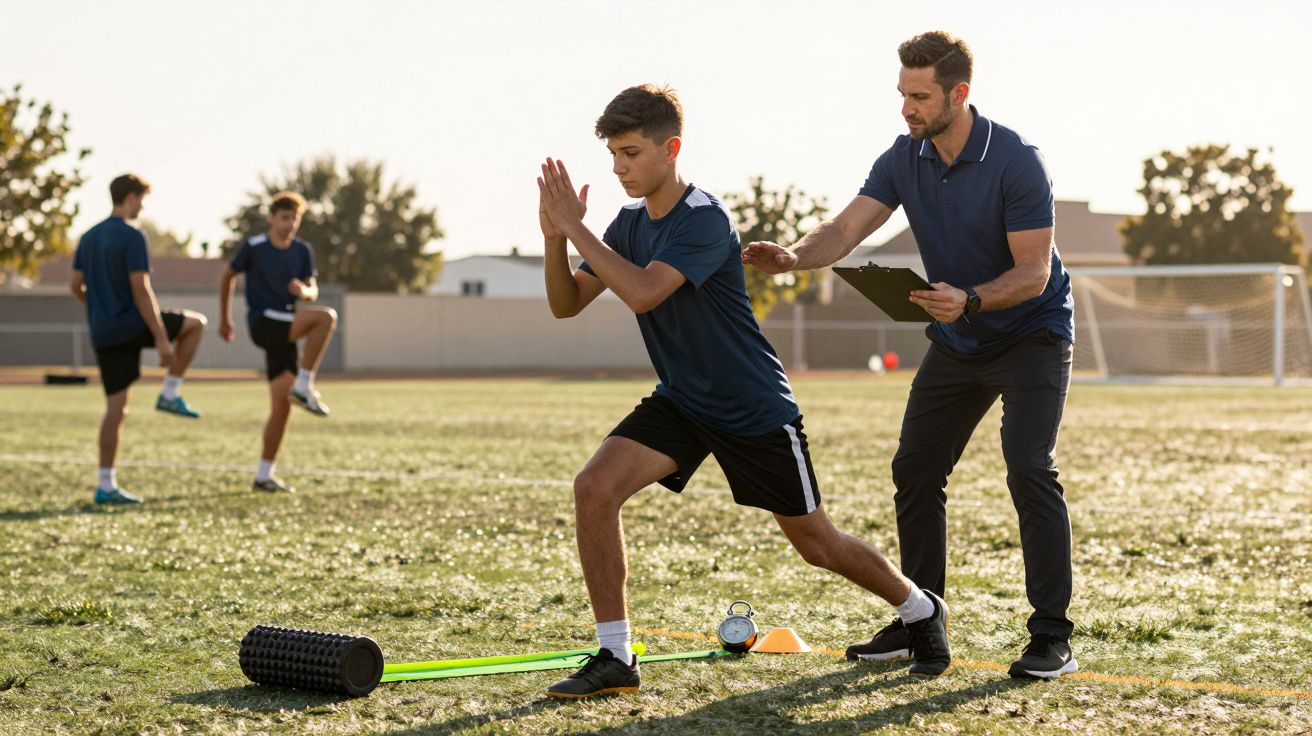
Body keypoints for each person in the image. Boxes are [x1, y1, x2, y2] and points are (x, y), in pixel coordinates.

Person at [536, 84, 950, 699]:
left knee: (817, 544)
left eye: (630, 154)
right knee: (594, 487)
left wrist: (578, 228)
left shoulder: (704, 219)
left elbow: (646, 292)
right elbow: (566, 305)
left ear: (670, 149)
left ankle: (920, 608)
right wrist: (555, 236)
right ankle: (616, 656)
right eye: (613, 156)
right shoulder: (624, 227)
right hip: (682, 400)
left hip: (751, 407)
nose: (619, 168)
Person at [743, 31, 1078, 680]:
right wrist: (793, 257)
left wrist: (973, 299)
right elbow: (843, 229)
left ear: (960, 94)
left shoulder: (1016, 161)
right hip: (960, 339)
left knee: (1028, 466)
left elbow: (1034, 274)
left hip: (1032, 334)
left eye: (920, 96)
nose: (907, 108)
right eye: (902, 94)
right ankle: (921, 618)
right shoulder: (905, 158)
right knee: (916, 472)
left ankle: (1052, 638)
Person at [70, 173, 207, 505]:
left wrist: (97, 306)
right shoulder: (132, 236)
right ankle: (170, 393)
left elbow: (75, 285)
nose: (143, 205)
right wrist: (161, 338)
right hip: (132, 324)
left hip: (104, 331)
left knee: (115, 410)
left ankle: (106, 486)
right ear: (131, 197)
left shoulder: (87, 237)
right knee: (195, 324)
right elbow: (141, 289)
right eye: (142, 198)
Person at [218, 191, 336, 494]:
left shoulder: (301, 251)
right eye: (285, 217)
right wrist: (225, 318)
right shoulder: (255, 248)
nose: (290, 224)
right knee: (325, 319)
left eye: (295, 218)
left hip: (285, 328)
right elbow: (227, 277)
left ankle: (263, 476)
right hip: (264, 322)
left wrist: (304, 292)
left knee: (282, 408)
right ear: (272, 218)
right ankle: (305, 384)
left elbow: (312, 290)